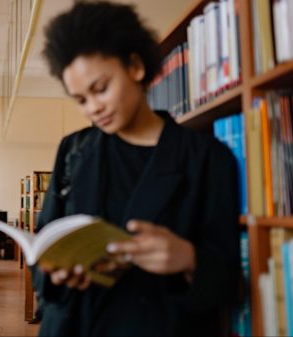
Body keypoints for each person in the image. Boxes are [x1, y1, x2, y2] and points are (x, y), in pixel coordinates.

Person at [32, 1, 241, 336]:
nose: (94, 108)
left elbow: (228, 281)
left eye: (100, 89)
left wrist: (189, 259)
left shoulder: (209, 158)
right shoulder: (74, 151)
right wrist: (54, 272)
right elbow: (43, 250)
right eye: (81, 100)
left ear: (135, 66)